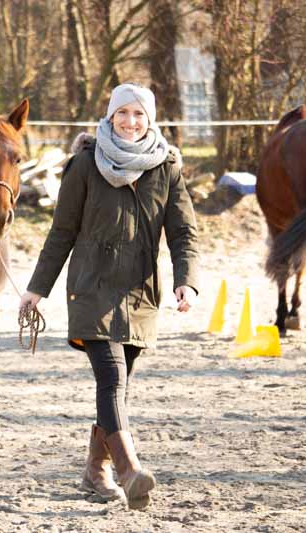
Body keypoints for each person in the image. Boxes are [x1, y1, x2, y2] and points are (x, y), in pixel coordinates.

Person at [19, 83, 199, 509]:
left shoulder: (166, 167)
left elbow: (183, 231)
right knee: (112, 378)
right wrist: (36, 288)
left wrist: (186, 279)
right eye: (123, 113)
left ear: (150, 119)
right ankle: (129, 469)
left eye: (139, 115)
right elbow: (62, 231)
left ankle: (94, 470)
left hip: (140, 292)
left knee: (119, 388)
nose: (131, 122)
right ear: (110, 116)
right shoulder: (84, 163)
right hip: (91, 287)